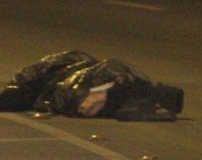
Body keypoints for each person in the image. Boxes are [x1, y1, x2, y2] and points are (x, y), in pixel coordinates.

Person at [0, 50, 184, 121]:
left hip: (52, 87)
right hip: (55, 75)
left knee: (16, 98)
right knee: (17, 94)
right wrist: (101, 94)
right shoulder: (121, 79)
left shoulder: (130, 101)